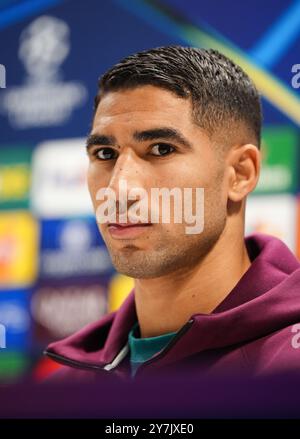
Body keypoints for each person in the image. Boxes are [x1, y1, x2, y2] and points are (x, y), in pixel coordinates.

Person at [45, 46, 300, 381]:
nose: (120, 189)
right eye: (105, 153)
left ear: (240, 173)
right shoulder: (64, 386)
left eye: (161, 149)